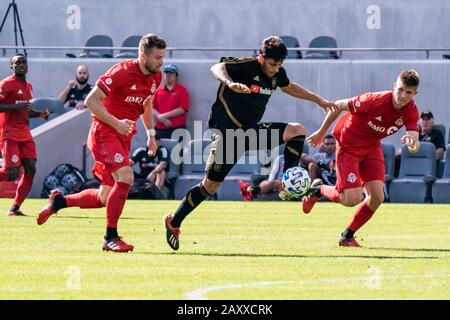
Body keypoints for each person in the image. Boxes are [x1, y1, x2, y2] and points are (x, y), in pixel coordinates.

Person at [164, 36, 337, 250]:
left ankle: (287, 180)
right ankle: (174, 222)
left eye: (280, 65)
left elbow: (289, 87)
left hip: (250, 133)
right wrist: (230, 83)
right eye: (273, 64)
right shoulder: (246, 65)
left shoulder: (277, 73)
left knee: (297, 131)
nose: (276, 69)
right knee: (210, 186)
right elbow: (216, 68)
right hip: (228, 135)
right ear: (262, 58)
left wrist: (318, 100)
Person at [37, 34, 166, 252]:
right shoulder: (122, 71)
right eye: (157, 57)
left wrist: (151, 134)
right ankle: (110, 237)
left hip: (122, 136)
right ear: (142, 55)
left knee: (104, 197)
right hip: (104, 133)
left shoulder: (155, 77)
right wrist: (116, 123)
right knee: (126, 177)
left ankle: (59, 202)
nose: (160, 62)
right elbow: (90, 100)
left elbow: (146, 103)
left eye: (162, 57)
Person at [303, 69, 421, 247]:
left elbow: (415, 141)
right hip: (348, 146)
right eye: (401, 89)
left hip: (371, 148)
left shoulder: (411, 111)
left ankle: (347, 236)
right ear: (394, 86)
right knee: (351, 199)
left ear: (415, 94)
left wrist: (412, 144)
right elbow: (338, 106)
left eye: (409, 92)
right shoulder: (374, 100)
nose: (403, 95)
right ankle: (318, 189)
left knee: (377, 197)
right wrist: (321, 132)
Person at [0, 53, 49, 216]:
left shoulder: (28, 86)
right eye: (17, 62)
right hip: (10, 133)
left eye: (24, 62)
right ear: (11, 67)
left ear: (27, 66)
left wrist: (40, 114)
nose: (21, 64)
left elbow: (25, 111)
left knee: (31, 169)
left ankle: (15, 208)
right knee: (11, 173)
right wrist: (16, 107)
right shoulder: (6, 84)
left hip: (25, 134)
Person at [151, 64, 190, 139]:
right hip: (160, 130)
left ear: (176, 76)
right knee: (157, 150)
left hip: (178, 130)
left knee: (178, 151)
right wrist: (160, 117)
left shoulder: (182, 90)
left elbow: (183, 109)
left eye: (171, 73)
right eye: (166, 73)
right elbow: (152, 108)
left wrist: (164, 116)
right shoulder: (158, 91)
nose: (168, 75)